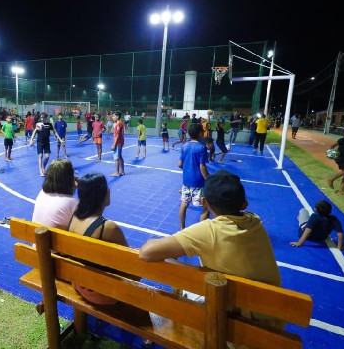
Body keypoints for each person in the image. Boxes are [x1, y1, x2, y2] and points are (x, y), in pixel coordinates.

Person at [139, 170, 284, 329]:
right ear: (244, 204)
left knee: (183, 288)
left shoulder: (209, 231)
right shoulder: (255, 222)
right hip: (272, 319)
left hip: (241, 324)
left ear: (204, 203)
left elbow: (146, 252)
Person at [68, 173, 130, 305]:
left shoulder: (74, 217)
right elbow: (131, 260)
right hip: (100, 293)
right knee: (141, 262)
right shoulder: (108, 227)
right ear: (101, 195)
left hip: (78, 283)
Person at [178, 124, 209, 228]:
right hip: (198, 182)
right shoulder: (202, 147)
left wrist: (189, 170)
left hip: (186, 181)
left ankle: (182, 228)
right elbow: (202, 167)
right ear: (200, 133)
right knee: (206, 206)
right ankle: (200, 230)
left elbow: (179, 164)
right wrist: (208, 178)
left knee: (184, 204)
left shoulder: (184, 146)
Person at [31, 159, 79, 229]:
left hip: (36, 233)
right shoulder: (74, 203)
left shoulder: (42, 193)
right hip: (58, 236)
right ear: (70, 179)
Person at [30, 112, 63, 177]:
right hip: (40, 142)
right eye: (41, 118)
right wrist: (31, 140)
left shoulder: (49, 125)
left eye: (43, 118)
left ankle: (43, 167)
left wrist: (60, 139)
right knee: (40, 156)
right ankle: (40, 170)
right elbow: (34, 132)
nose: (42, 119)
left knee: (47, 157)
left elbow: (55, 132)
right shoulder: (38, 124)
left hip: (46, 142)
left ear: (46, 118)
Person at [110, 111, 125, 177]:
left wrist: (114, 144)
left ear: (117, 116)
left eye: (114, 116)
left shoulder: (119, 124)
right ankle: (122, 171)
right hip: (119, 142)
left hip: (118, 143)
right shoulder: (118, 124)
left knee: (116, 157)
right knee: (119, 156)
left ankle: (117, 172)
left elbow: (117, 135)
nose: (112, 117)